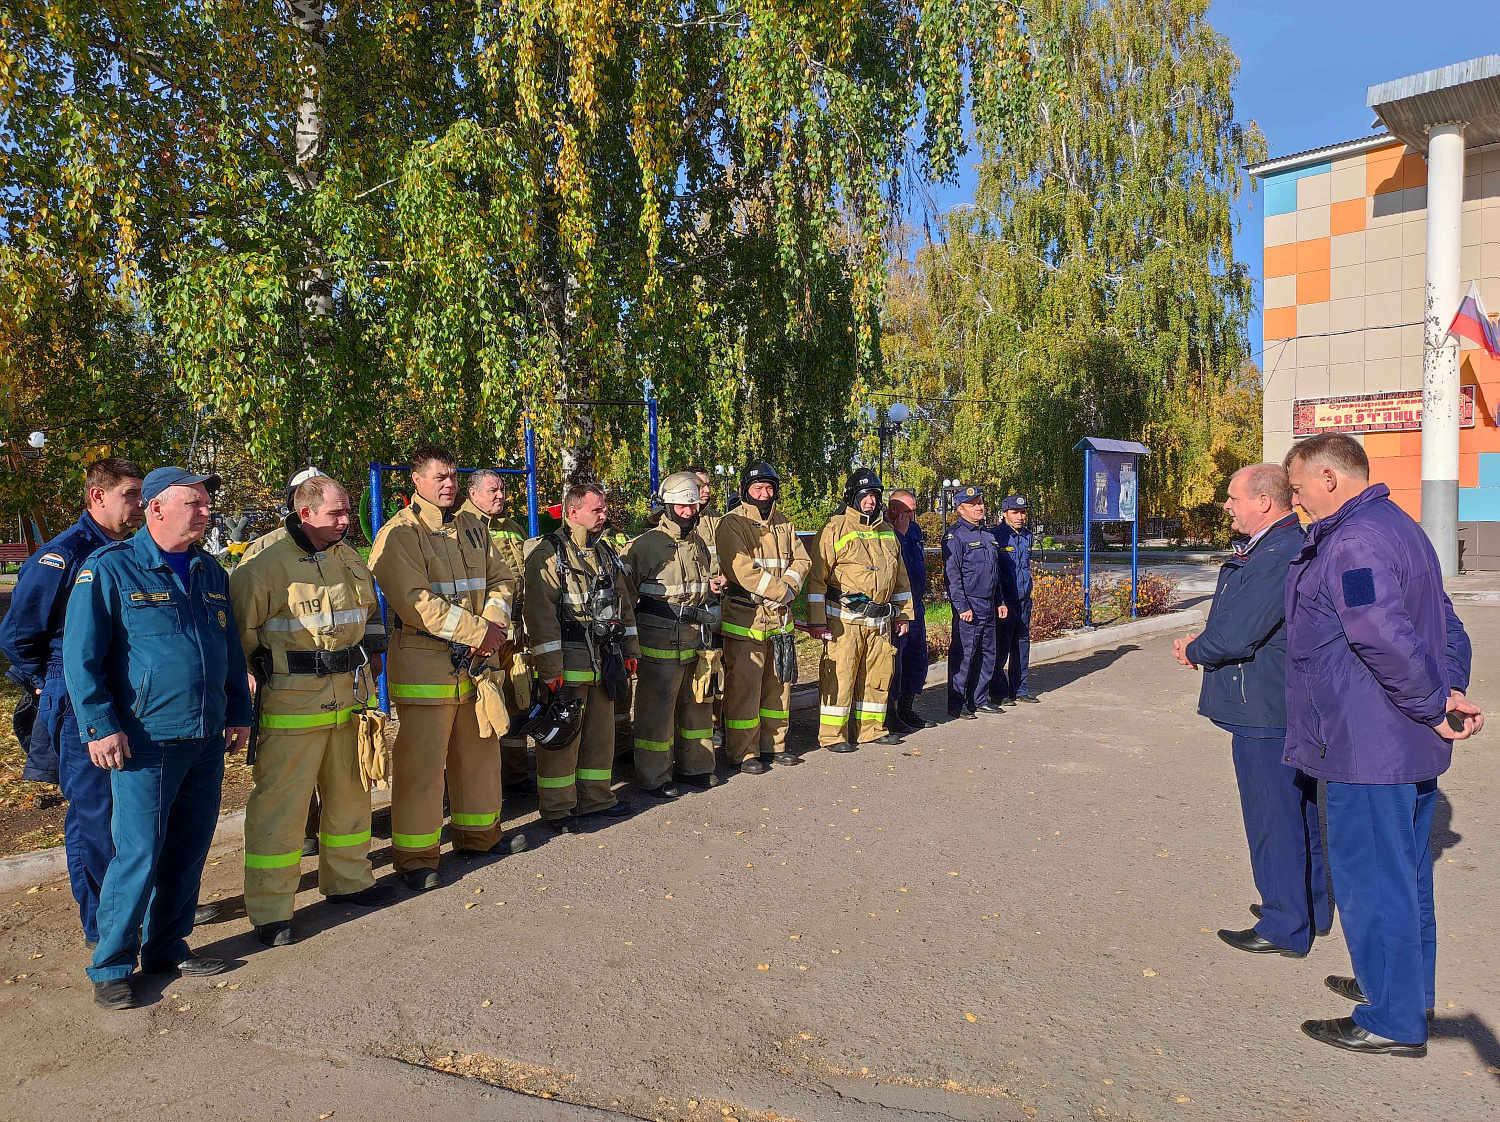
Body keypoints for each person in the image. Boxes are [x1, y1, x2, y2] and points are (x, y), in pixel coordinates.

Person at [1282, 432, 1480, 1057]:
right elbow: (1447, 623)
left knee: (1375, 881)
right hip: (1398, 740)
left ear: (1330, 479)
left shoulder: (1354, 540)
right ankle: (1401, 989)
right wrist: (1446, 694)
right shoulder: (1399, 526)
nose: (1296, 500)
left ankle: (1391, 1019)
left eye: (1298, 487)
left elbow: (1381, 635)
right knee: (1407, 876)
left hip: (1367, 744)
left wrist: (1431, 703)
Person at [63, 467, 253, 1009]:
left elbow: (229, 651)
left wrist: (238, 709)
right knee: (139, 854)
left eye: (205, 504)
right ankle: (112, 964)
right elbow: (82, 659)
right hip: (144, 740)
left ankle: (168, 946)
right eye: (193, 503)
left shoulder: (210, 572)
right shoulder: (110, 569)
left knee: (189, 849)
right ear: (154, 508)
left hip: (205, 735)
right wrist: (99, 726)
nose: (205, 512)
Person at [1171, 464, 1329, 958]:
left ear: (1263, 501)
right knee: (1297, 811)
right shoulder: (1277, 545)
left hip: (1263, 704)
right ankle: (1310, 909)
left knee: (1272, 814)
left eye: (1233, 496)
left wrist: (1197, 649)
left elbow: (1240, 631)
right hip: (1275, 698)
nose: (1226, 504)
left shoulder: (1278, 551)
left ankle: (1284, 923)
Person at [230, 474, 395, 946]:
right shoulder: (264, 564)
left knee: (350, 800)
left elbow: (370, 614)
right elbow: (236, 636)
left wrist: (376, 652)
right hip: (290, 708)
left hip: (349, 702)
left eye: (347, 512)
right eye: (336, 514)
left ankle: (349, 882)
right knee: (280, 813)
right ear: (306, 514)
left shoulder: (347, 556)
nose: (346, 522)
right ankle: (270, 911)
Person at [0, 458, 145, 947]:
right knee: (94, 816)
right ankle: (104, 926)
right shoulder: (64, 554)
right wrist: (47, 683)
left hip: (123, 697)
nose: (139, 505)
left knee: (132, 812)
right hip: (76, 702)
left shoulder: (128, 550)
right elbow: (18, 635)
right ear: (97, 496)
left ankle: (136, 909)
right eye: (130, 494)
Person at [368, 446, 522, 891]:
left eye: (453, 476)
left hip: (475, 665)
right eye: (439, 477)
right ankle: (416, 857)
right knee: (421, 767)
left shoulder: (474, 526)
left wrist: (493, 621)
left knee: (479, 756)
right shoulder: (399, 534)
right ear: (416, 481)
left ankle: (479, 835)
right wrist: (481, 632)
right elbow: (417, 603)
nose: (449, 484)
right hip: (425, 667)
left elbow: (502, 579)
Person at [523, 482, 641, 833]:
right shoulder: (549, 554)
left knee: (600, 735)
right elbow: (540, 615)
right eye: (597, 510)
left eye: (604, 509)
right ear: (573, 512)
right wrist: (550, 667)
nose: (604, 516)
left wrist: (630, 651)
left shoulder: (605, 553)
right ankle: (558, 809)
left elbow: (623, 605)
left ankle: (596, 799)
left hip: (605, 660)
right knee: (564, 737)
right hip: (568, 660)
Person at [238, 464, 331, 857]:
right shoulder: (265, 550)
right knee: (289, 774)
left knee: (334, 766)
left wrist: (372, 652)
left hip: (335, 682)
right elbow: (243, 618)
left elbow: (364, 608)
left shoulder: (337, 549)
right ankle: (302, 831)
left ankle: (325, 832)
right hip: (283, 681)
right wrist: (247, 669)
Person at [624, 472, 725, 795]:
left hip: (694, 639)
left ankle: (695, 767)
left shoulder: (697, 545)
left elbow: (700, 586)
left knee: (696, 705)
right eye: (681, 506)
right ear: (666, 506)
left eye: (692, 506)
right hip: (658, 641)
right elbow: (626, 597)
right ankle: (654, 776)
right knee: (657, 711)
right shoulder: (644, 546)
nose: (688, 511)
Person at [806, 469, 914, 752]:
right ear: (852, 497)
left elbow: (901, 579)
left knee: (877, 675)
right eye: (865, 495)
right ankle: (833, 736)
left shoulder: (887, 531)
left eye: (875, 495)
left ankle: (871, 730)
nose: (870, 500)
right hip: (844, 622)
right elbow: (817, 579)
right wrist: (817, 621)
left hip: (879, 621)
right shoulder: (834, 529)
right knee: (840, 678)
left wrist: (903, 614)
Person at [715, 462, 811, 773]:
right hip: (746, 620)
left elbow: (803, 559)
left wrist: (790, 588)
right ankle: (744, 753)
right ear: (745, 491)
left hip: (781, 621)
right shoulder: (732, 523)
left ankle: (775, 745)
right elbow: (741, 567)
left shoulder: (784, 523)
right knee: (745, 688)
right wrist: (779, 592)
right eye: (758, 488)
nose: (765, 494)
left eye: (769, 488)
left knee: (778, 686)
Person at [459, 468, 532, 797]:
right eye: (492, 490)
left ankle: (515, 775)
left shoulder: (513, 528)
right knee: (483, 705)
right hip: (483, 634)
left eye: (502, 489)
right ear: (473, 494)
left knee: (518, 698)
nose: (500, 495)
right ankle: (484, 782)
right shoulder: (462, 527)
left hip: (514, 632)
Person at [943, 485, 1004, 719]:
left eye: (981, 503)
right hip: (970, 604)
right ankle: (956, 704)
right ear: (960, 509)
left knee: (988, 653)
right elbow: (952, 575)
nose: (979, 507)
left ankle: (979, 699)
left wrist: (1000, 601)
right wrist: (962, 606)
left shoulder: (988, 535)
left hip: (989, 603)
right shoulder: (955, 536)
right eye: (973, 504)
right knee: (964, 655)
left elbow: (994, 572)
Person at [885, 489, 933, 732]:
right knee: (897, 660)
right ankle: (890, 712)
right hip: (896, 607)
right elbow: (891, 564)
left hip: (916, 604)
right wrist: (899, 535)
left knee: (916, 658)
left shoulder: (913, 529)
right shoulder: (886, 529)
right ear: (893, 510)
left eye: (914, 511)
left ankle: (907, 707)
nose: (912, 516)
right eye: (908, 511)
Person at [993, 494, 1039, 704]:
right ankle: (999, 692)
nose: (1020, 517)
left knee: (1022, 644)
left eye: (1023, 512)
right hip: (1004, 600)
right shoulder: (996, 537)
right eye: (1015, 512)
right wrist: (999, 600)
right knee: (1001, 646)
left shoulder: (1028, 536)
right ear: (1005, 514)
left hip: (1023, 600)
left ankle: (1019, 689)